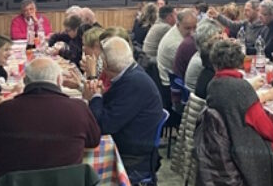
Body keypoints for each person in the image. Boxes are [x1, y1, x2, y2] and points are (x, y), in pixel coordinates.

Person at [205, 40, 273, 186]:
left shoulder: (214, 84)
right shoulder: (239, 88)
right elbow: (265, 128)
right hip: (245, 149)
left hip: (225, 147)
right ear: (240, 62)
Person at [84, 36, 163, 175]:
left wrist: (95, 96)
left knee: (78, 162)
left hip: (134, 154)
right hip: (128, 141)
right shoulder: (130, 73)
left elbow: (103, 125)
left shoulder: (134, 83)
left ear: (106, 64)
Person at [157, 9, 197, 106]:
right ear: (178, 24)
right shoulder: (175, 44)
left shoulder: (179, 33)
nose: (192, 32)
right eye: (188, 28)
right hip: (171, 88)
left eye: (194, 27)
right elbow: (190, 68)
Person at [185, 18, 223, 93]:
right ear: (207, 42)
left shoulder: (200, 54)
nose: (220, 41)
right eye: (216, 39)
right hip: (200, 100)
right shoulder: (202, 61)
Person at [0, 35, 17, 105]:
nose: (10, 53)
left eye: (10, 50)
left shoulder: (0, 69)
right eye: (6, 50)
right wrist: (14, 94)